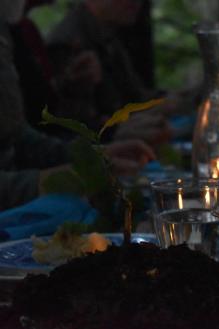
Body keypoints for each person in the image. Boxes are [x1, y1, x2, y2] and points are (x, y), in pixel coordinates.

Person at [0, 0, 155, 210]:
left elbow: (16, 135)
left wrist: (92, 156)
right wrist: (62, 179)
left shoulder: (14, 29)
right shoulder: (65, 36)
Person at [47, 0, 175, 144]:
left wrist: (180, 100)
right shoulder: (68, 41)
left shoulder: (109, 36)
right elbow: (73, 127)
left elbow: (135, 97)